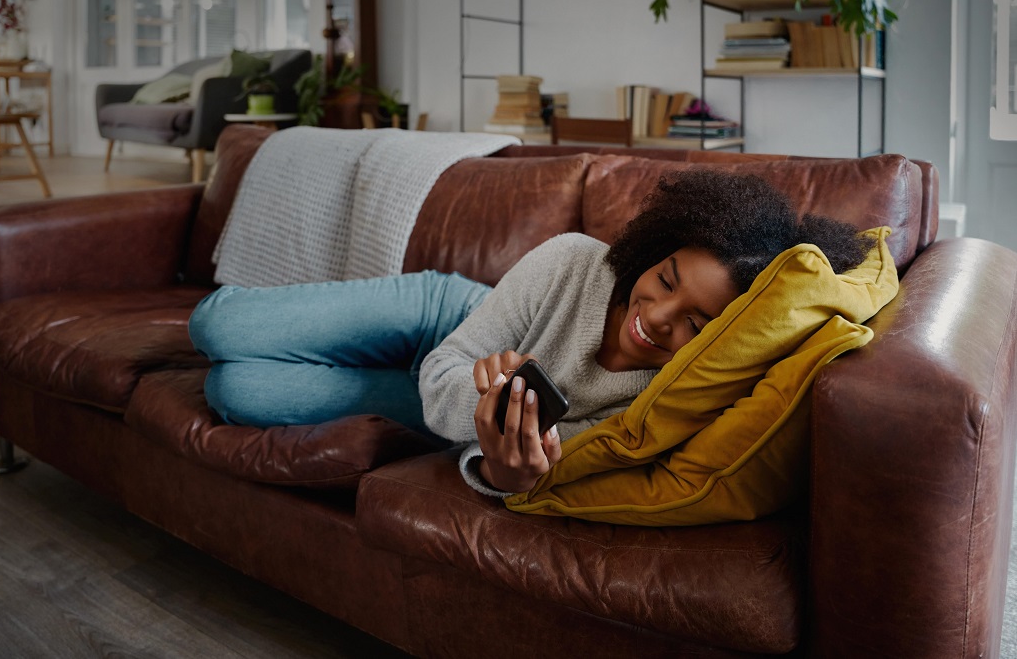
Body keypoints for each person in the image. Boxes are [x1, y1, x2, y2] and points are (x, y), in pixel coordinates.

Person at [189, 170, 873, 496]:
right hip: (446, 316)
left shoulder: (658, 406)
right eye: (665, 280)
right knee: (217, 324)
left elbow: (506, 455)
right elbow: (455, 359)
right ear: (654, 250)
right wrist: (467, 389)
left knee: (238, 387)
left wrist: (499, 466)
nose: (658, 318)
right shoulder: (574, 260)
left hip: (446, 403)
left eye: (697, 324)